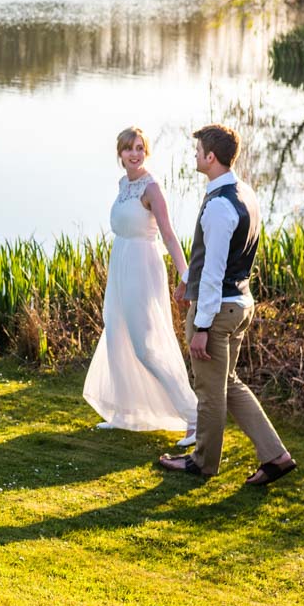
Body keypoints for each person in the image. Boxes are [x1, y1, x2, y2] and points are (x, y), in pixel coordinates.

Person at [159, 124, 297, 486]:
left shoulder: (220, 206)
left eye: (198, 151)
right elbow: (223, 257)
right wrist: (188, 278)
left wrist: (201, 327)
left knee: (208, 391)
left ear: (211, 157)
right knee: (228, 383)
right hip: (240, 303)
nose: (194, 156)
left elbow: (216, 270)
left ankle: (202, 462)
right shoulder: (243, 192)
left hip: (218, 311)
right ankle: (276, 456)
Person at [83, 127, 198, 445]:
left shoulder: (152, 188)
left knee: (146, 345)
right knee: (115, 331)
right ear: (119, 154)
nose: (134, 154)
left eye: (139, 148)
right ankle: (126, 413)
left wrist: (186, 275)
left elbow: (169, 234)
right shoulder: (124, 184)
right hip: (120, 261)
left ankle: (194, 416)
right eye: (128, 149)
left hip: (142, 266)